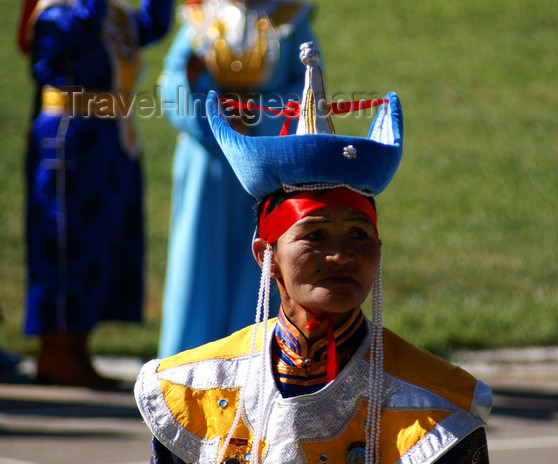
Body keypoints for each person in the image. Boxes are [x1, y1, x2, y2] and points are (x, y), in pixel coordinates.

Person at [135, 43, 492, 463]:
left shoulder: (435, 405)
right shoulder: (195, 391)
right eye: (315, 237)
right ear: (265, 253)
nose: (341, 256)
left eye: (359, 235)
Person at [17, 0, 172, 387]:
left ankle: (78, 349)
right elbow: (80, 28)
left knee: (105, 244)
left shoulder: (112, 11)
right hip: (68, 137)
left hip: (110, 137)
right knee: (67, 245)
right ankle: (55, 350)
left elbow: (152, 25)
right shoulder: (54, 12)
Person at [157, 0, 317, 358]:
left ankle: (254, 357)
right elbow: (172, 83)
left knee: (261, 255)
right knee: (198, 252)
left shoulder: (289, 16)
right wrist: (208, 113)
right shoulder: (201, 17)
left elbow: (308, 83)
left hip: (264, 160)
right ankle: (189, 357)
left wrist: (259, 116)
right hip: (207, 161)